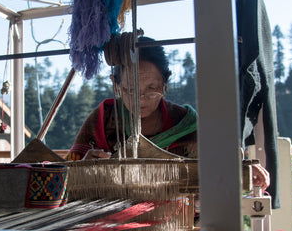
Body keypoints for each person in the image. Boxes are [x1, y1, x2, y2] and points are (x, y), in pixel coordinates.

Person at [67, 35, 198, 161]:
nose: (140, 100)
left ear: (165, 84)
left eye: (151, 89)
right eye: (130, 90)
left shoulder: (185, 124)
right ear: (115, 84)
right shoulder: (104, 118)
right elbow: (67, 176)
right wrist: (84, 166)